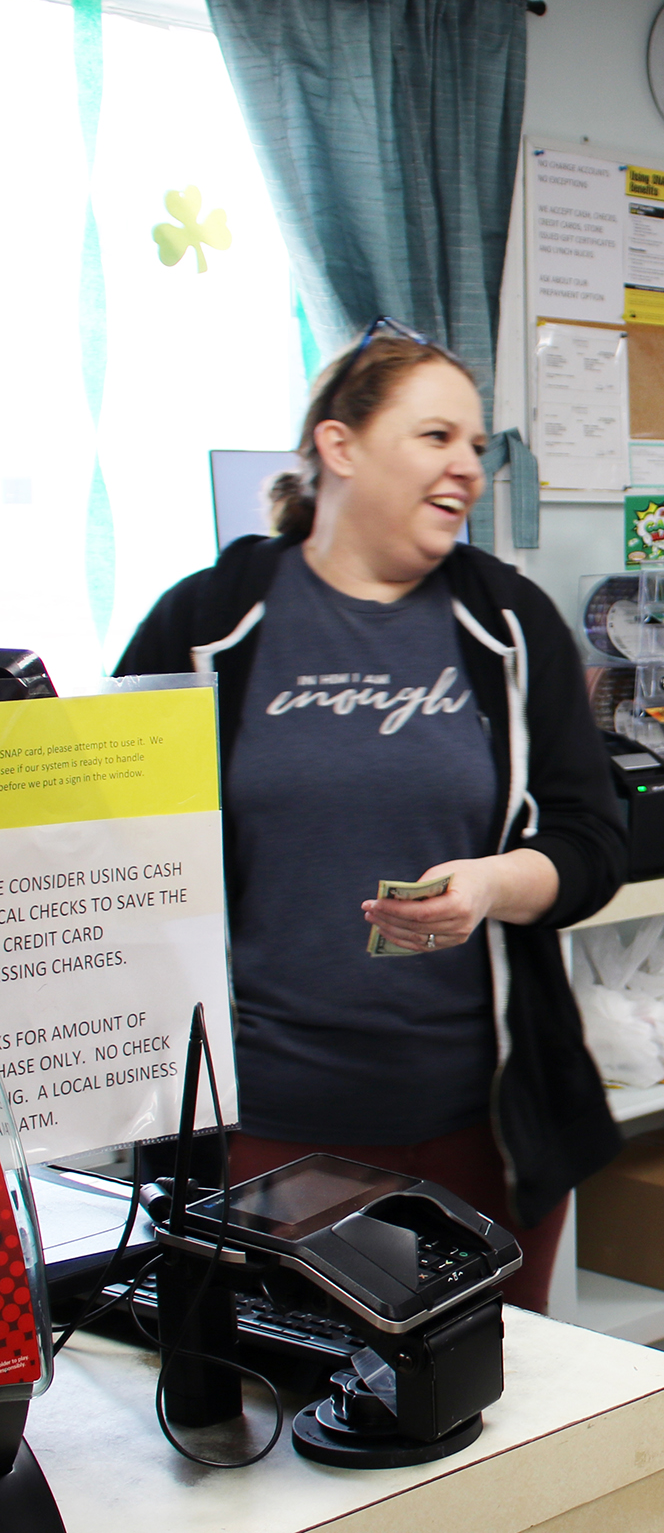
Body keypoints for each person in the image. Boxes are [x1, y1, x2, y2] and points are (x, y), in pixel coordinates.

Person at [117, 320, 627, 1312]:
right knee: (287, 1411)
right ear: (337, 445)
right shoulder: (210, 622)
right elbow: (115, 835)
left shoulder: (510, 624)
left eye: (477, 446)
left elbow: (592, 841)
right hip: (266, 1123)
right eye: (436, 436)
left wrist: (492, 880)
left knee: (484, 1414)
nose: (468, 467)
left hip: (484, 1124)